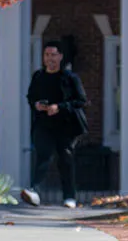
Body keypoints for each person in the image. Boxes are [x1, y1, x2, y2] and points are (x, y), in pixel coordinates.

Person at [21, 40, 88, 209]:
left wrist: (59, 107)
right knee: (43, 155)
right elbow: (30, 97)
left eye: (53, 55)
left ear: (60, 57)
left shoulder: (70, 78)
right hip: (44, 124)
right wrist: (37, 105)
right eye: (47, 55)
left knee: (65, 159)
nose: (50, 58)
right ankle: (34, 190)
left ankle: (69, 196)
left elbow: (81, 101)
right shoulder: (38, 76)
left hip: (66, 126)